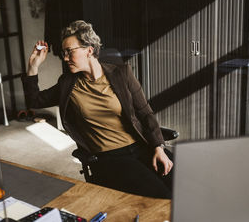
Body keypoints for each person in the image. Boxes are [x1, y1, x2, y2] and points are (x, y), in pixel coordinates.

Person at [22, 20, 173, 198]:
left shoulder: (121, 74)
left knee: (185, 184)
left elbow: (145, 112)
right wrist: (33, 65)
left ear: (89, 50)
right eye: (64, 53)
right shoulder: (67, 84)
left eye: (69, 51)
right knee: (163, 197)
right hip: (110, 158)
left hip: (140, 146)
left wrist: (158, 147)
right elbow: (35, 100)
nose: (65, 58)